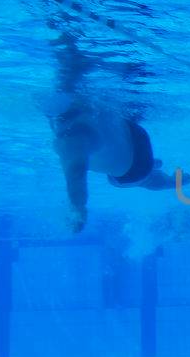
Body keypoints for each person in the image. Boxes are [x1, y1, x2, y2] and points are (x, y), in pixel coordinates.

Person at [46, 29, 176, 232]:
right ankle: (156, 176)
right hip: (134, 168)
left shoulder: (71, 128)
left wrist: (78, 210)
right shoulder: (73, 136)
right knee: (139, 178)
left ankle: (157, 173)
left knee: (69, 80)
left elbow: (76, 173)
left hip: (128, 144)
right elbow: (75, 173)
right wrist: (78, 208)